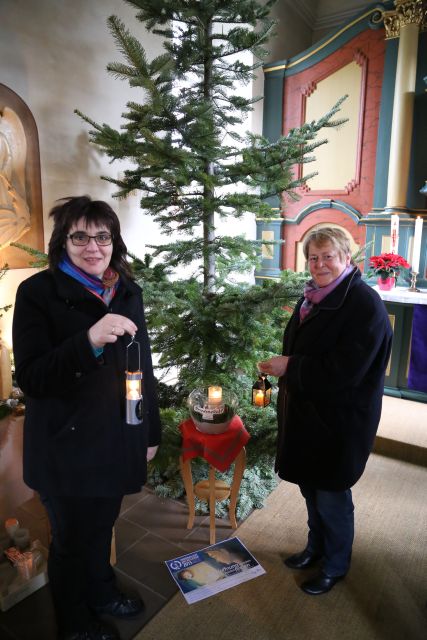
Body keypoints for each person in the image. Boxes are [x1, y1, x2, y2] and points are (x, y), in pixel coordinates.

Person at [12, 196, 161, 640]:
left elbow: (142, 366)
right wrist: (89, 340)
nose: (93, 246)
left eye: (102, 236)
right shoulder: (37, 293)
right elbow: (34, 378)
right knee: (72, 542)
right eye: (80, 236)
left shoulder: (127, 290)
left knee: (101, 529)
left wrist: (149, 430)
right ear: (64, 242)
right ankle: (74, 623)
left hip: (118, 437)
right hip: (66, 447)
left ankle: (101, 594)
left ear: (114, 242)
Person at [259, 227, 392, 596]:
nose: (319, 265)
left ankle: (335, 565)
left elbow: (346, 371)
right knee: (310, 490)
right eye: (313, 258)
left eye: (328, 257)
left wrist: (291, 367)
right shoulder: (315, 298)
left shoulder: (364, 305)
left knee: (332, 496)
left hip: (340, 421)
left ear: (346, 258)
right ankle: (314, 548)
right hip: (309, 416)